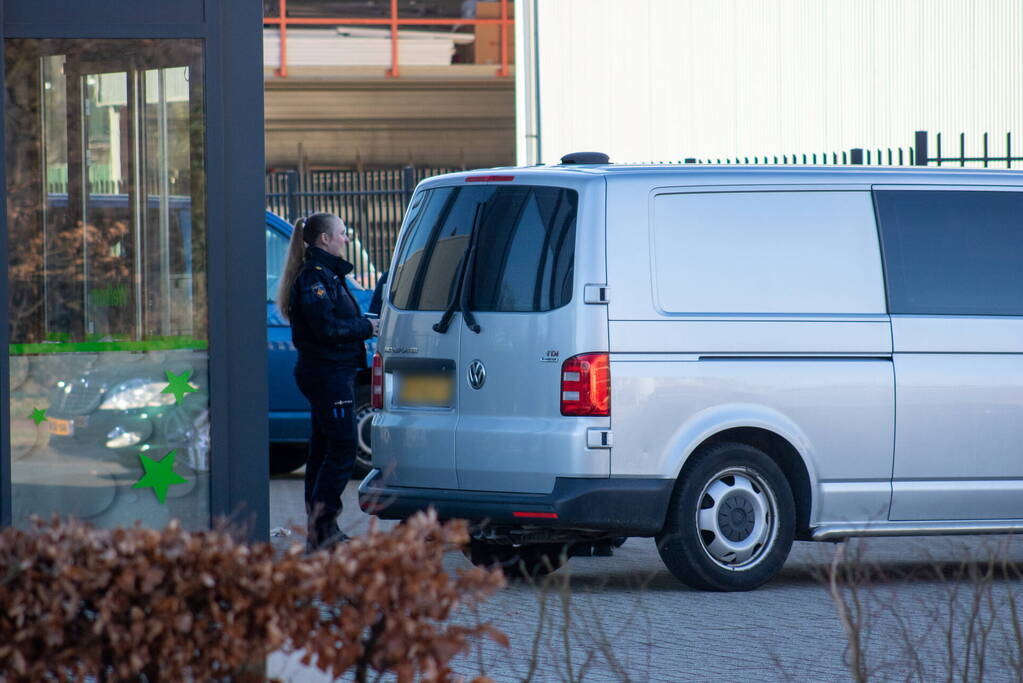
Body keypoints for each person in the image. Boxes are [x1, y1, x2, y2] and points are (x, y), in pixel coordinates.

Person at [276, 213, 379, 551]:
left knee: (322, 450)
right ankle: (322, 530)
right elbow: (327, 329)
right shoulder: (315, 279)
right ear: (324, 239)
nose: (345, 239)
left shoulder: (328, 276)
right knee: (343, 447)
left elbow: (335, 319)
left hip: (333, 372)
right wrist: (367, 328)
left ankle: (320, 532)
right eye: (342, 233)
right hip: (327, 374)